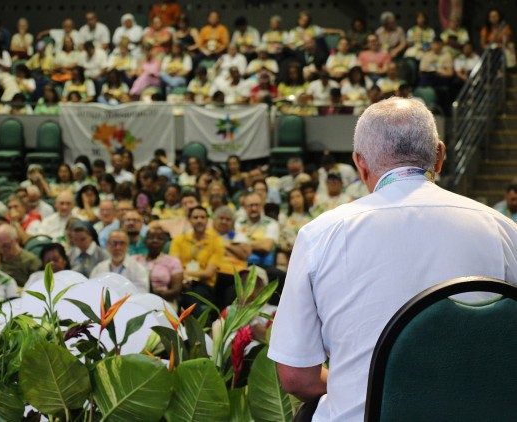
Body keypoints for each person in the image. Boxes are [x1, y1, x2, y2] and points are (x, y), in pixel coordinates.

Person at [267, 97, 517, 421]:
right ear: (439, 156)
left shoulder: (321, 235)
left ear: (360, 164)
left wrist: (361, 386)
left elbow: (296, 376)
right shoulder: (504, 230)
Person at [169, 206, 224, 315]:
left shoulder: (216, 241)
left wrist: (185, 274)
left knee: (191, 295)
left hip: (204, 285)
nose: (199, 220)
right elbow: (173, 266)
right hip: (181, 282)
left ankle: (197, 329)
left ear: (207, 220)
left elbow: (209, 273)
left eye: (203, 217)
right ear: (189, 220)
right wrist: (183, 278)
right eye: (196, 217)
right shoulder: (179, 240)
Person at [136, 223, 182, 305]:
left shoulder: (173, 261)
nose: (155, 240)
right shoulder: (136, 260)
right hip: (137, 300)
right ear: (145, 240)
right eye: (151, 237)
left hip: (164, 301)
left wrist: (154, 295)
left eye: (159, 238)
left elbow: (176, 290)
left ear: (165, 242)